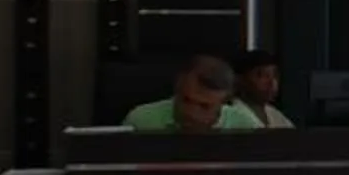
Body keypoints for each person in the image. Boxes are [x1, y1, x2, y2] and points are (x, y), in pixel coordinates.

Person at [122, 52, 263, 132]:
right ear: (177, 87)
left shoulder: (246, 126)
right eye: (186, 100)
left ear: (224, 101)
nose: (191, 113)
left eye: (204, 106)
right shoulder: (140, 121)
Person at [232, 48, 296, 129]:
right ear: (240, 79)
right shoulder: (231, 113)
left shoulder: (274, 114)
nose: (272, 83)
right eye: (261, 75)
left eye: (275, 75)